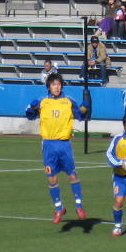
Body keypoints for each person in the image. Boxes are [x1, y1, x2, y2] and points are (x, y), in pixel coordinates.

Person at [25, 72, 88, 223]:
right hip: (48, 145)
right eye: (53, 84)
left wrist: (86, 106)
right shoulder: (42, 101)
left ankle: (79, 206)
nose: (57, 87)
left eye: (59, 84)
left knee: (72, 175)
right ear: (49, 86)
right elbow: (29, 115)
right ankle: (59, 209)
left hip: (64, 144)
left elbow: (81, 115)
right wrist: (31, 107)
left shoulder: (68, 101)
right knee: (52, 178)